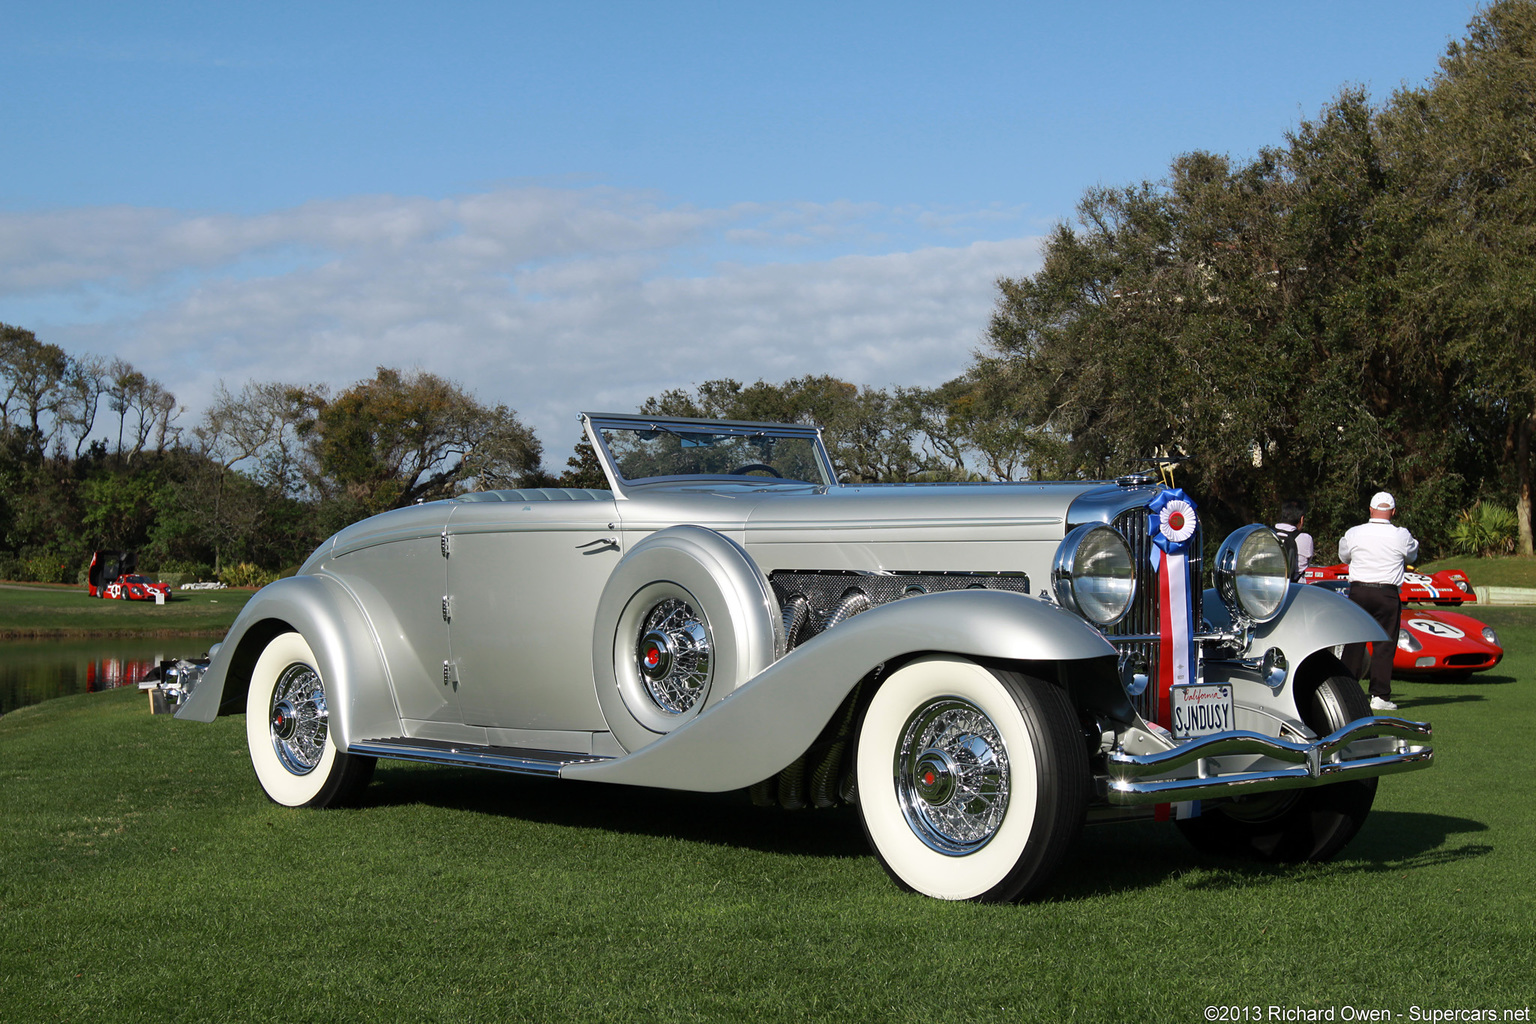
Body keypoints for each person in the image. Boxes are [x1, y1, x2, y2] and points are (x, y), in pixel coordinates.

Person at [1338, 491, 1419, 712]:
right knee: (1384, 644)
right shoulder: (1401, 535)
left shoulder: (1355, 533)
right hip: (1386, 592)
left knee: (1354, 642)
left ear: (1371, 510)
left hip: (1359, 591)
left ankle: (1345, 691)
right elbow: (1412, 555)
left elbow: (1344, 556)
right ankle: (1380, 695)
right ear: (1393, 512)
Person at [1273, 498, 1314, 581]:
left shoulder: (1266, 534)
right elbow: (1306, 564)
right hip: (1294, 588)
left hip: (1269, 588)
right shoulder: (1305, 539)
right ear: (1301, 519)